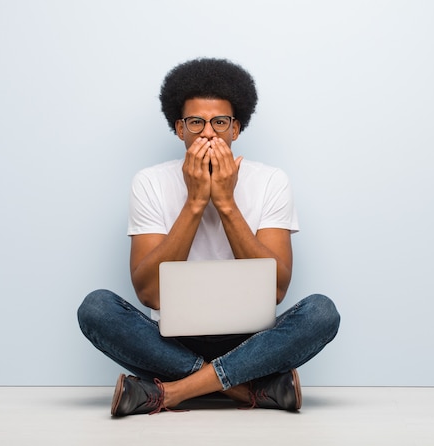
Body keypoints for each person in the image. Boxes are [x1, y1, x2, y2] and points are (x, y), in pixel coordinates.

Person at [77, 58, 340, 417]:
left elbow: (276, 289)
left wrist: (227, 202)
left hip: (253, 340)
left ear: (236, 128)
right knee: (96, 308)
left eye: (219, 123)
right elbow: (149, 293)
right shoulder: (150, 182)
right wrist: (196, 201)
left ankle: (171, 392)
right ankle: (246, 388)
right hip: (171, 339)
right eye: (196, 123)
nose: (208, 134)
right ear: (178, 128)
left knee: (321, 313)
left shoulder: (270, 180)